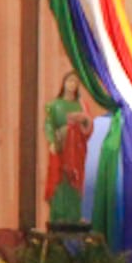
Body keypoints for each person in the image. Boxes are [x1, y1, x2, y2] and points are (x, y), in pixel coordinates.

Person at [44, 71, 93, 225]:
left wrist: (84, 121)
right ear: (64, 84)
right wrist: (52, 141)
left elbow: (89, 128)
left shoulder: (81, 105)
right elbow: (48, 125)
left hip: (76, 150)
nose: (72, 85)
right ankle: (58, 216)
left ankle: (73, 216)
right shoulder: (54, 105)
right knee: (59, 181)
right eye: (69, 81)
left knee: (74, 179)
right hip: (60, 149)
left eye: (75, 83)